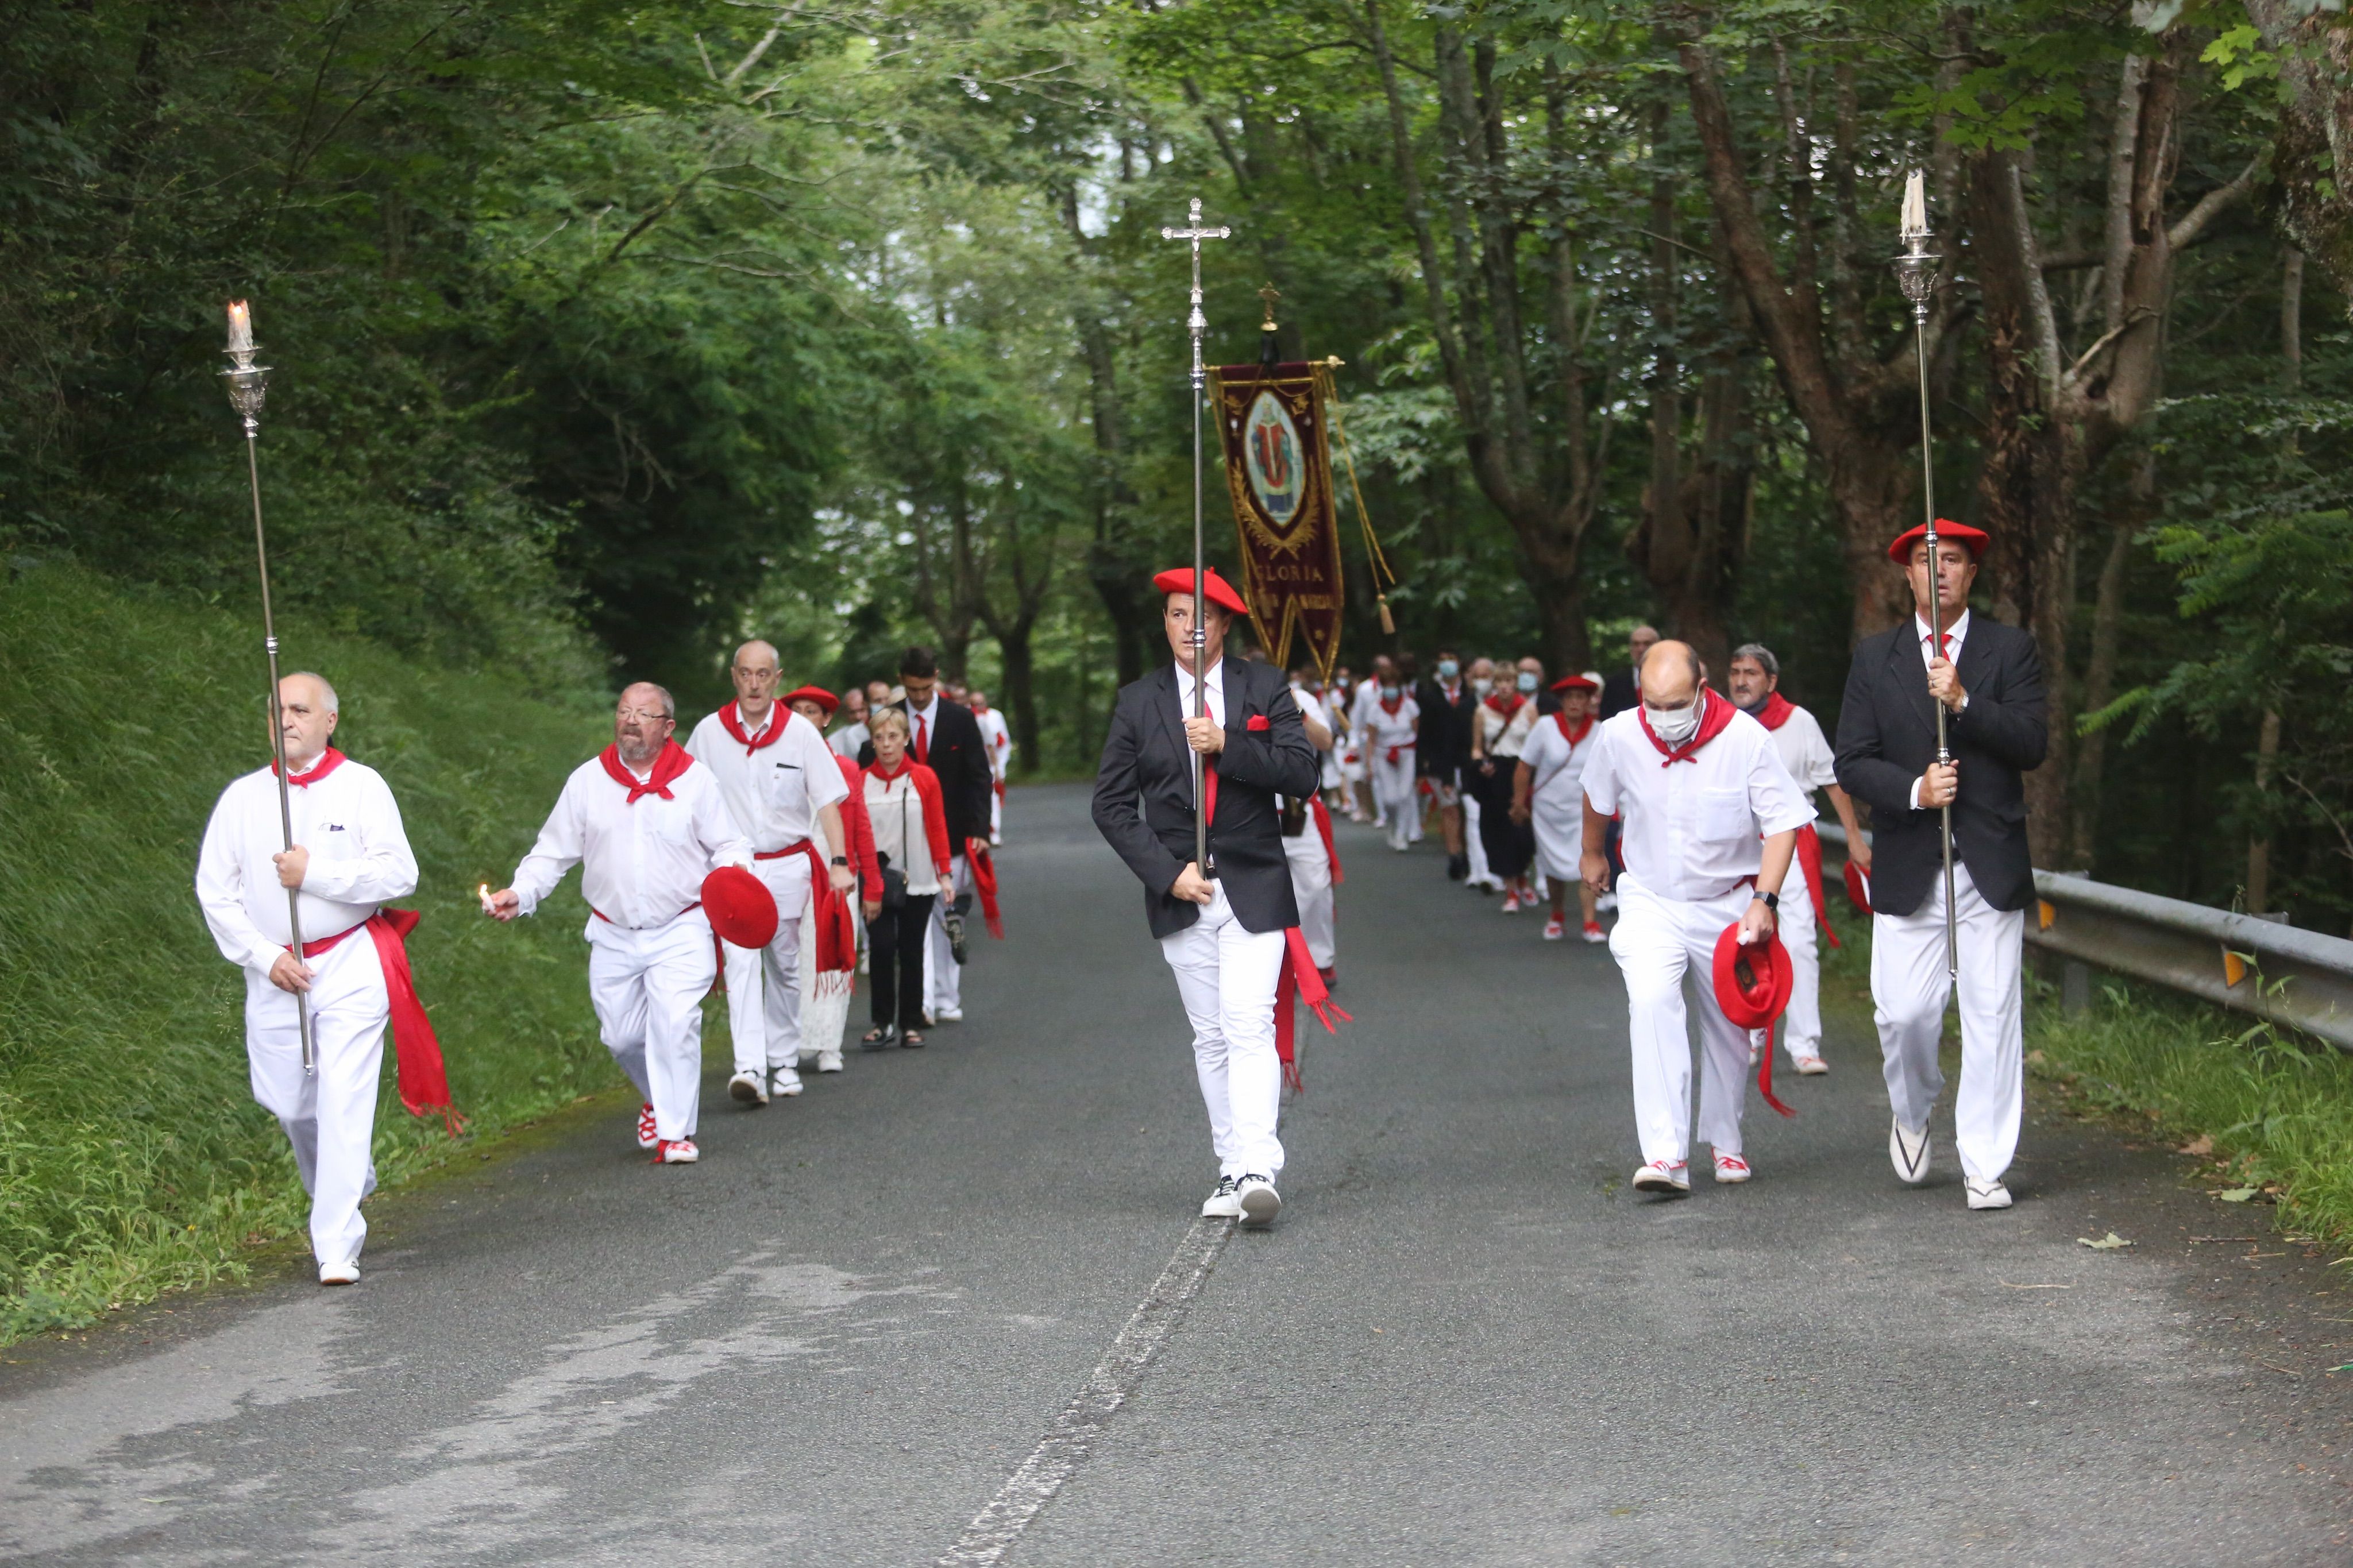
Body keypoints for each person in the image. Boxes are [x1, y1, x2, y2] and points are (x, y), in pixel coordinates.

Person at [1091, 566, 1324, 1227]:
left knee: (1248, 1025)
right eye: (1174, 613)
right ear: (1163, 623)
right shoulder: (1139, 701)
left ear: (1224, 625)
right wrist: (1166, 874)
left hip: (1254, 880)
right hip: (1181, 891)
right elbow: (1110, 805)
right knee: (1212, 1037)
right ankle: (1231, 1167)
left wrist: (1230, 743)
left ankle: (1258, 1166)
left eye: (1202, 615)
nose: (1188, 625)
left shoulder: (1263, 686)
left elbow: (1303, 773)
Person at [196, 673, 436, 1286]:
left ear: (329, 721)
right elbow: (215, 893)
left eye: (300, 709)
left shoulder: (362, 788)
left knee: (342, 1099)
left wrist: (317, 874)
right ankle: (346, 1175)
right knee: (290, 1104)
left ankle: (336, 1243)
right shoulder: (243, 798)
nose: (286, 720)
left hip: (352, 961)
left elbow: (398, 874)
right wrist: (261, 955)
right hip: (276, 970)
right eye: (277, 709)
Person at [1835, 520, 2047, 1211]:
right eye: (1928, 563)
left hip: (1988, 861)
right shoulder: (1875, 658)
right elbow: (1851, 762)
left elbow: (2031, 743)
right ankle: (1913, 1105)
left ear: (1972, 574)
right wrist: (1915, 790)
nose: (1941, 572)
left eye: (1953, 561)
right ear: (1908, 576)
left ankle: (1985, 1163)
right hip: (1907, 859)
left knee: (1991, 1015)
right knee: (1905, 1014)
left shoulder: (2009, 649)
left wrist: (1964, 702)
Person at [487, 683, 751, 1165]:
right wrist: (521, 894)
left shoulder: (696, 782)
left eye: (644, 715)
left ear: (668, 728)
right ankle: (656, 1097)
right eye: (624, 712)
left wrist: (733, 880)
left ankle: (676, 1133)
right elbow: (552, 851)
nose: (631, 721)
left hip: (681, 926)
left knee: (676, 1023)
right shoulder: (588, 781)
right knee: (621, 1037)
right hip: (613, 931)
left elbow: (730, 845)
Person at [1580, 641, 1811, 1195]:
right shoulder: (1619, 734)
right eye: (1653, 705)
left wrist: (1765, 899)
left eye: (1676, 704)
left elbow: (1783, 823)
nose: (1664, 717)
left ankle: (1726, 1141)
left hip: (1728, 901)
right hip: (1650, 897)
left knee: (1731, 1029)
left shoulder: (1745, 739)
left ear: (1702, 689)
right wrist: (1592, 852)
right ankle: (1665, 1157)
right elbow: (1597, 797)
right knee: (1653, 1004)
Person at [684, 640, 857, 1106]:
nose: (754, 683)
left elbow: (827, 801)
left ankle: (783, 1061)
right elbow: (685, 801)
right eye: (746, 674)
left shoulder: (800, 733)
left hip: (787, 863)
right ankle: (750, 1069)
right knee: (740, 965)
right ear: (735, 677)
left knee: (783, 963)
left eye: (764, 674)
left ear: (777, 679)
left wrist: (839, 863)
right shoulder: (708, 734)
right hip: (736, 868)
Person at [1726, 643, 1870, 1077]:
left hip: (1791, 844)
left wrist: (1854, 840)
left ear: (1771, 682)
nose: (1740, 681)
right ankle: (1750, 1032)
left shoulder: (1798, 722)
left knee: (1800, 942)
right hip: (1739, 845)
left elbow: (1832, 783)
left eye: (1750, 673)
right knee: (1743, 941)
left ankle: (1804, 1043)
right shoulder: (1722, 722)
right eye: (1734, 672)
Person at [861, 648, 994, 1025]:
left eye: (925, 688)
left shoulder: (960, 718)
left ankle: (948, 997)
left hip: (951, 834)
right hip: (900, 843)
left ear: (935, 677)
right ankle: (920, 1003)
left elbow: (979, 776)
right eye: (911, 689)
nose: (918, 696)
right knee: (914, 925)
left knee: (948, 919)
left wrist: (980, 829)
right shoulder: (891, 720)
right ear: (902, 681)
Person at [785, 685, 882, 1072]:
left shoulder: (844, 768)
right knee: (791, 958)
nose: (804, 719)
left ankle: (828, 1043)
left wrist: (872, 883)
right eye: (797, 712)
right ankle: (791, 1039)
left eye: (813, 712)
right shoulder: (779, 766)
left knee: (833, 954)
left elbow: (860, 827)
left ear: (826, 721)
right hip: (790, 870)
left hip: (835, 871)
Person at [861, 706, 952, 1049]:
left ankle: (911, 1023)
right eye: (880, 738)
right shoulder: (860, 781)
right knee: (882, 948)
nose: (886, 745)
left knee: (912, 950)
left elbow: (938, 826)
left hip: (920, 877)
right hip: (877, 881)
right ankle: (882, 1022)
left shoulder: (924, 778)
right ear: (872, 741)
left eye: (893, 737)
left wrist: (945, 874)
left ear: (907, 739)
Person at [1514, 673, 1604, 943]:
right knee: (1552, 865)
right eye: (1569, 698)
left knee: (1588, 860)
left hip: (1583, 811)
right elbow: (1524, 765)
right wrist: (1519, 802)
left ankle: (1590, 922)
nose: (1575, 703)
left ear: (1589, 701)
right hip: (1548, 810)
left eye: (1581, 697)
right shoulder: (1545, 726)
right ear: (1561, 702)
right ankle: (1556, 915)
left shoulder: (1601, 731)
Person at [1284, 665, 1342, 985]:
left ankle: (1320, 959)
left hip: (1301, 810)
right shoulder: (1232, 700)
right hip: (1255, 812)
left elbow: (1326, 741)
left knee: (1316, 886)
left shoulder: (1302, 697)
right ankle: (1282, 964)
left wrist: (1298, 711)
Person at [1469, 662, 1540, 907]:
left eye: (1510, 682)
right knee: (1500, 831)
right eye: (1500, 682)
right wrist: (1481, 765)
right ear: (1494, 685)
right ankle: (1511, 888)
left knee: (1523, 831)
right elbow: (1477, 748)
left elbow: (1539, 744)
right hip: (1496, 773)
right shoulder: (1483, 712)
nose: (1505, 687)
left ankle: (1523, 878)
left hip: (1522, 770)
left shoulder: (1528, 710)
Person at [1418, 650, 1477, 880]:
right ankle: (1455, 856)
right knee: (1450, 808)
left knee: (1468, 810)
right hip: (1439, 760)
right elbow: (1423, 731)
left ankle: (1471, 853)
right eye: (1442, 660)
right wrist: (1421, 767)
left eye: (1451, 659)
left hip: (1466, 758)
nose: (1447, 665)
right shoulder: (1429, 694)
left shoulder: (1469, 692)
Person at [1361, 665, 1421, 851]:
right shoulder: (1374, 709)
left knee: (1404, 794)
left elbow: (1417, 731)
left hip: (1406, 753)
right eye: (1387, 685)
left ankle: (1402, 834)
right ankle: (1392, 826)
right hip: (1383, 753)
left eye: (1394, 685)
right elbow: (1371, 739)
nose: (1391, 689)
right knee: (1390, 799)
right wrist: (1369, 765)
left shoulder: (1410, 706)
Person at [1459, 659, 1503, 892]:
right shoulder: (1465, 707)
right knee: (1475, 821)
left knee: (1496, 822)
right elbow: (1457, 745)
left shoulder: (1508, 708)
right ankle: (1480, 872)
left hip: (1501, 774)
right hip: (1472, 775)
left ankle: (1499, 870)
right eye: (1479, 676)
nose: (1483, 680)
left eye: (1488, 675)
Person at [970, 688, 1012, 845]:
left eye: (980, 703)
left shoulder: (995, 717)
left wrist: (999, 768)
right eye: (974, 704)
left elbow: (1001, 743)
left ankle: (994, 832)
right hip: (975, 766)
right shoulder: (969, 717)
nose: (978, 707)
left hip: (992, 766)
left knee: (993, 798)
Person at [1599, 624, 1660, 721]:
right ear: (1630, 648)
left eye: (1647, 644)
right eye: (1636, 644)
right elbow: (1607, 719)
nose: (1641, 649)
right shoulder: (1614, 684)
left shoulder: (1671, 680)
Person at [830, 685, 871, 761]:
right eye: (852, 712)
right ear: (845, 713)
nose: (858, 717)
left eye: (862, 710)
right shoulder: (834, 741)